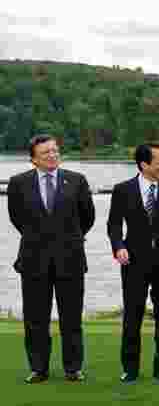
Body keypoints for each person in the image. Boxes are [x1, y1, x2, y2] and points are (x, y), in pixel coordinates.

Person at [6, 135, 96, 383]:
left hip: (71, 259)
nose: (52, 155)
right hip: (34, 259)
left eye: (55, 150)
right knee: (35, 318)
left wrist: (69, 239)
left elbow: (87, 217)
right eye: (45, 153)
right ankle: (38, 369)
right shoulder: (18, 183)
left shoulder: (77, 181)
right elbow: (17, 218)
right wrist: (41, 239)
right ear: (33, 158)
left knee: (72, 317)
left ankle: (73, 368)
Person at [107, 143, 159, 382]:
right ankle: (130, 368)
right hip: (133, 261)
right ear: (144, 164)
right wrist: (118, 247)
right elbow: (113, 225)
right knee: (132, 315)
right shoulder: (123, 190)